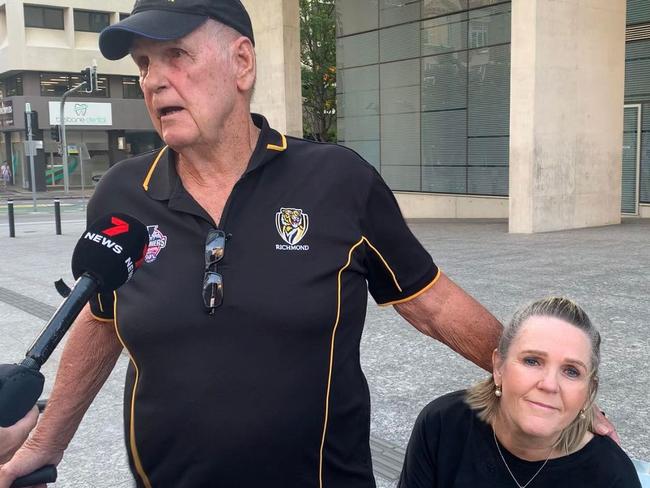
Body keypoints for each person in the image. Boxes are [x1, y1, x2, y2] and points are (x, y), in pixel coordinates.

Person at [0, 2, 615, 487]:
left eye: (176, 55)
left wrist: (544, 390)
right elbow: (102, 320)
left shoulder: (337, 183)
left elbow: (431, 303)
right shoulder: (121, 195)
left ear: (242, 63)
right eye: (143, 64)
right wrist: (45, 443)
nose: (155, 80)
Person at [399, 297, 641, 488]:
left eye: (571, 371)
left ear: (589, 391)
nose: (549, 384)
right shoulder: (444, 425)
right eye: (532, 361)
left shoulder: (611, 475)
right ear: (498, 366)